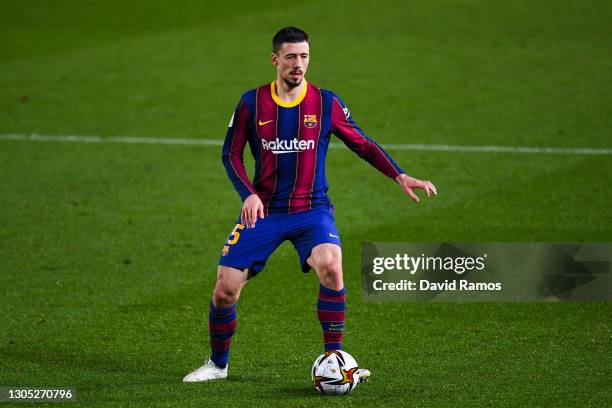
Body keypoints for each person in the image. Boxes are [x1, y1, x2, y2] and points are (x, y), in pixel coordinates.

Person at [183, 27, 437, 383]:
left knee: (332, 266)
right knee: (225, 289)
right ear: (275, 60)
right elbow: (230, 154)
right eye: (290, 57)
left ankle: (337, 361)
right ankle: (217, 364)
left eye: (304, 57)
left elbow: (362, 144)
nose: (298, 64)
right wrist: (249, 194)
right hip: (266, 211)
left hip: (312, 209)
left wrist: (399, 175)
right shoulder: (251, 103)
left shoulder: (325, 102)